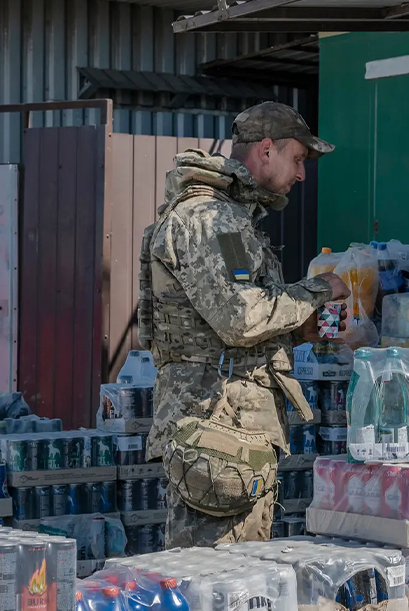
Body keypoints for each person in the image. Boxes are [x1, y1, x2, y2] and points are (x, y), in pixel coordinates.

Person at [138, 101, 350, 547]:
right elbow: (240, 318)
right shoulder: (211, 219)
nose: (301, 174)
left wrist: (298, 329)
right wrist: (319, 290)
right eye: (298, 159)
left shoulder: (227, 219)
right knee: (219, 578)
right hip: (217, 431)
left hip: (229, 431)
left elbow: (222, 321)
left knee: (240, 576)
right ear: (267, 149)